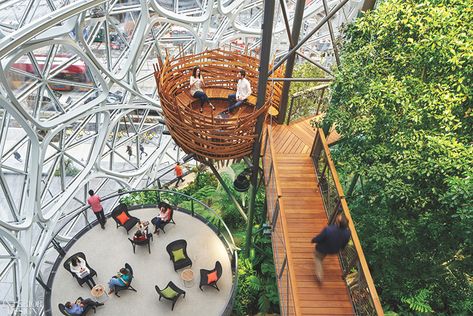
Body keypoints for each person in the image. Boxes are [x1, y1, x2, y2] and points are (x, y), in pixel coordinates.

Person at [311, 214, 351, 283]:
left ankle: (319, 276)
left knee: (318, 258)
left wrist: (313, 240)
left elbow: (320, 238)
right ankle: (322, 258)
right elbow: (344, 243)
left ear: (338, 223)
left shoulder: (328, 230)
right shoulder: (347, 233)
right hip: (334, 250)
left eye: (337, 218)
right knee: (323, 254)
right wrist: (342, 249)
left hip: (322, 248)